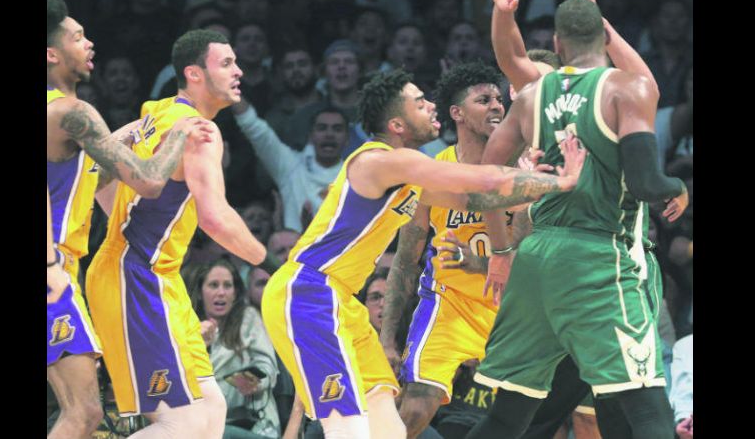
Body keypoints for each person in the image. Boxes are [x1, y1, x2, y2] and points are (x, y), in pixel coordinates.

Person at [260, 68, 586, 438]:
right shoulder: (384, 160)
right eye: (419, 103)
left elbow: (477, 199)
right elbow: (482, 180)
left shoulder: (407, 177)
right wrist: (562, 180)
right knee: (347, 427)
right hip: (309, 291)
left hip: (342, 300)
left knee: (388, 427)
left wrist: (537, 186)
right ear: (397, 124)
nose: (432, 105)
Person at [463, 0, 688, 439]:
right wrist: (678, 186)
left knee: (508, 417)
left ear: (557, 43)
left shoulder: (531, 96)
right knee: (647, 410)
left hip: (536, 259)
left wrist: (503, 250)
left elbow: (483, 180)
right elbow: (646, 183)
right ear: (604, 37)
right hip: (600, 257)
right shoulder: (626, 88)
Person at [84, 29, 279, 439]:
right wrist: (275, 266)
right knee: (182, 423)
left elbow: (96, 169)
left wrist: (123, 220)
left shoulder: (157, 114)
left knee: (212, 409)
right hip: (135, 277)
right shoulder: (199, 131)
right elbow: (215, 218)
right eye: (226, 63)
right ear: (194, 73)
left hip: (154, 277)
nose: (239, 71)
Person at [47, 0, 210, 439]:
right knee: (84, 415)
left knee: (81, 413)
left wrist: (126, 138)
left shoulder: (57, 113)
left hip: (63, 269)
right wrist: (179, 133)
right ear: (52, 54)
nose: (90, 43)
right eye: (78, 37)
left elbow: (88, 181)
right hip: (54, 273)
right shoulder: (71, 112)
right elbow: (151, 181)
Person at [379, 61, 507, 439]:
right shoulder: (432, 174)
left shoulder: (522, 168)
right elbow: (406, 261)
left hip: (512, 307)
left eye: (498, 99)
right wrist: (387, 338)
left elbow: (535, 257)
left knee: (536, 416)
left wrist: (478, 262)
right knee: (416, 406)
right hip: (449, 304)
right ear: (457, 113)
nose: (497, 106)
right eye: (484, 100)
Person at [189, 259, 281, 438]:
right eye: (213, 285)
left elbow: (267, 365)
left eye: (227, 286)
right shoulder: (189, 328)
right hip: (208, 422)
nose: (221, 292)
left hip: (254, 424)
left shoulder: (248, 318)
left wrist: (254, 381)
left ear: (235, 292)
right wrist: (199, 345)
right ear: (200, 292)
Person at [232, 100, 349, 233]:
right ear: (311, 136)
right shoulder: (291, 166)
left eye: (337, 129)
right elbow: (253, 127)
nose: (329, 135)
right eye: (322, 128)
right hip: (292, 245)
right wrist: (228, 91)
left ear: (347, 139)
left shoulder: (357, 178)